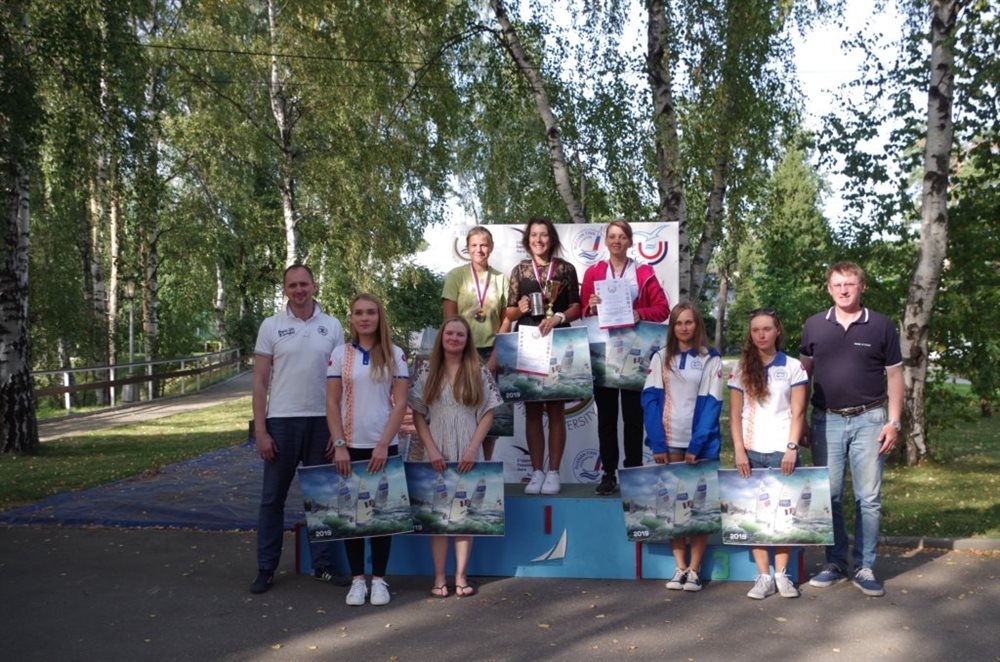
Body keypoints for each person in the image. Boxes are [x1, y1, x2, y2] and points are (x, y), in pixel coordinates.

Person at [800, 261, 902, 598]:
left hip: (870, 420)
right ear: (829, 288)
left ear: (862, 287)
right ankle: (835, 562)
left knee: (868, 498)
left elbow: (895, 376)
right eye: (838, 284)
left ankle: (864, 566)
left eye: (850, 284)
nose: (843, 290)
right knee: (828, 495)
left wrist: (894, 421)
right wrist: (799, 420)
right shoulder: (814, 325)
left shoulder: (881, 325)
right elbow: (803, 376)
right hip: (825, 420)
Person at [250, 264, 344, 594]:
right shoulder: (271, 326)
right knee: (272, 499)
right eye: (292, 285)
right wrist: (261, 431)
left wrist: (338, 433)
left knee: (322, 498)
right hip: (281, 422)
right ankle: (266, 568)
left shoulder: (332, 326)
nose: (299, 290)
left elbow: (341, 383)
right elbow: (260, 382)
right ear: (285, 289)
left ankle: (324, 566)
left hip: (322, 422)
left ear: (314, 286)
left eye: (304, 283)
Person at [408, 315, 503, 598]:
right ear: (442, 337)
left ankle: (461, 577)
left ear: (467, 340)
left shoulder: (478, 370)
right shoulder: (428, 370)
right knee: (439, 519)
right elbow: (417, 413)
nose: (454, 338)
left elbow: (488, 413)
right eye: (449, 333)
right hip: (436, 449)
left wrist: (473, 448)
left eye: (460, 334)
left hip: (468, 448)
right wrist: (431, 449)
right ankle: (439, 578)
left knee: (464, 517)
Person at [326, 293, 409, 606]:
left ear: (379, 316)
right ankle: (358, 580)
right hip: (349, 447)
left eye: (371, 312)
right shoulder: (340, 353)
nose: (364, 318)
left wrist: (383, 444)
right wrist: (339, 444)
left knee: (382, 516)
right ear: (351, 318)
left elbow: (400, 403)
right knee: (353, 517)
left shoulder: (395, 354)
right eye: (358, 313)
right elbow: (331, 402)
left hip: (384, 448)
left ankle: (379, 580)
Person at [580, 219, 670, 495]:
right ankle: (608, 473)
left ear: (630, 241)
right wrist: (591, 306)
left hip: (635, 352)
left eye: (622, 236)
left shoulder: (643, 272)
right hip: (604, 352)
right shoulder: (594, 272)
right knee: (606, 418)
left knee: (633, 417)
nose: (617, 241)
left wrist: (640, 313)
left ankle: (632, 472)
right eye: (612, 236)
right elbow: (583, 309)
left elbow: (663, 309)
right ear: (606, 241)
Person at [641, 303, 723, 592]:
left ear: (697, 325)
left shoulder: (711, 358)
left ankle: (695, 569)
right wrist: (658, 443)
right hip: (668, 441)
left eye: (689, 322)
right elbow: (650, 401)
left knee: (698, 507)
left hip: (701, 444)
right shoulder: (660, 357)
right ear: (672, 327)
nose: (684, 328)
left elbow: (713, 404)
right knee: (672, 505)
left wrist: (697, 445)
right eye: (678, 323)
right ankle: (679, 567)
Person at [728, 308, 809, 599]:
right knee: (756, 516)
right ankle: (763, 577)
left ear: (777, 331)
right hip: (750, 451)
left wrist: (791, 448)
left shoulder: (794, 366)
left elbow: (798, 412)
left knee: (784, 515)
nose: (761, 334)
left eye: (766, 329)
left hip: (781, 451)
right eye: (755, 330)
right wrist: (739, 451)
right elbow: (734, 414)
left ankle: (782, 575)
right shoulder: (741, 368)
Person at [504, 217, 582, 495]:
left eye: (544, 235)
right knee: (533, 410)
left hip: (558, 339)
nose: (539, 240)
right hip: (529, 340)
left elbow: (577, 307)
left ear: (552, 239)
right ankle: (537, 472)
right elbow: (509, 312)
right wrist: (520, 308)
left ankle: (554, 473)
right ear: (528, 240)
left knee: (556, 408)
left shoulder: (566, 268)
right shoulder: (520, 270)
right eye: (534, 235)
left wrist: (559, 317)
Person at [442, 226, 510, 460]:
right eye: (474, 245)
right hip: (462, 351)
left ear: (491, 247)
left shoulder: (501, 279)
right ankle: (459, 461)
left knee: (491, 415)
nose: (479, 249)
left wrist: (496, 356)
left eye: (483, 245)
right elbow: (449, 320)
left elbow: (506, 320)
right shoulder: (456, 276)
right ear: (467, 248)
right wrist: (455, 355)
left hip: (492, 351)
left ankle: (486, 466)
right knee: (461, 410)